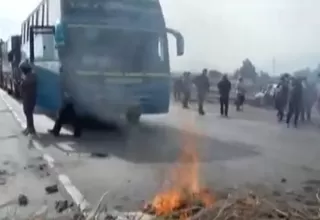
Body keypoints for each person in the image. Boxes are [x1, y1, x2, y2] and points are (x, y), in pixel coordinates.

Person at [20, 60, 37, 135]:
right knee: (27, 112)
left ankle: (30, 129)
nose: (22, 71)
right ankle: (30, 128)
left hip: (29, 97)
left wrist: (22, 83)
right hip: (27, 97)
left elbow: (25, 84)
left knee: (28, 112)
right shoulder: (29, 75)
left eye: (23, 69)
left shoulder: (31, 76)